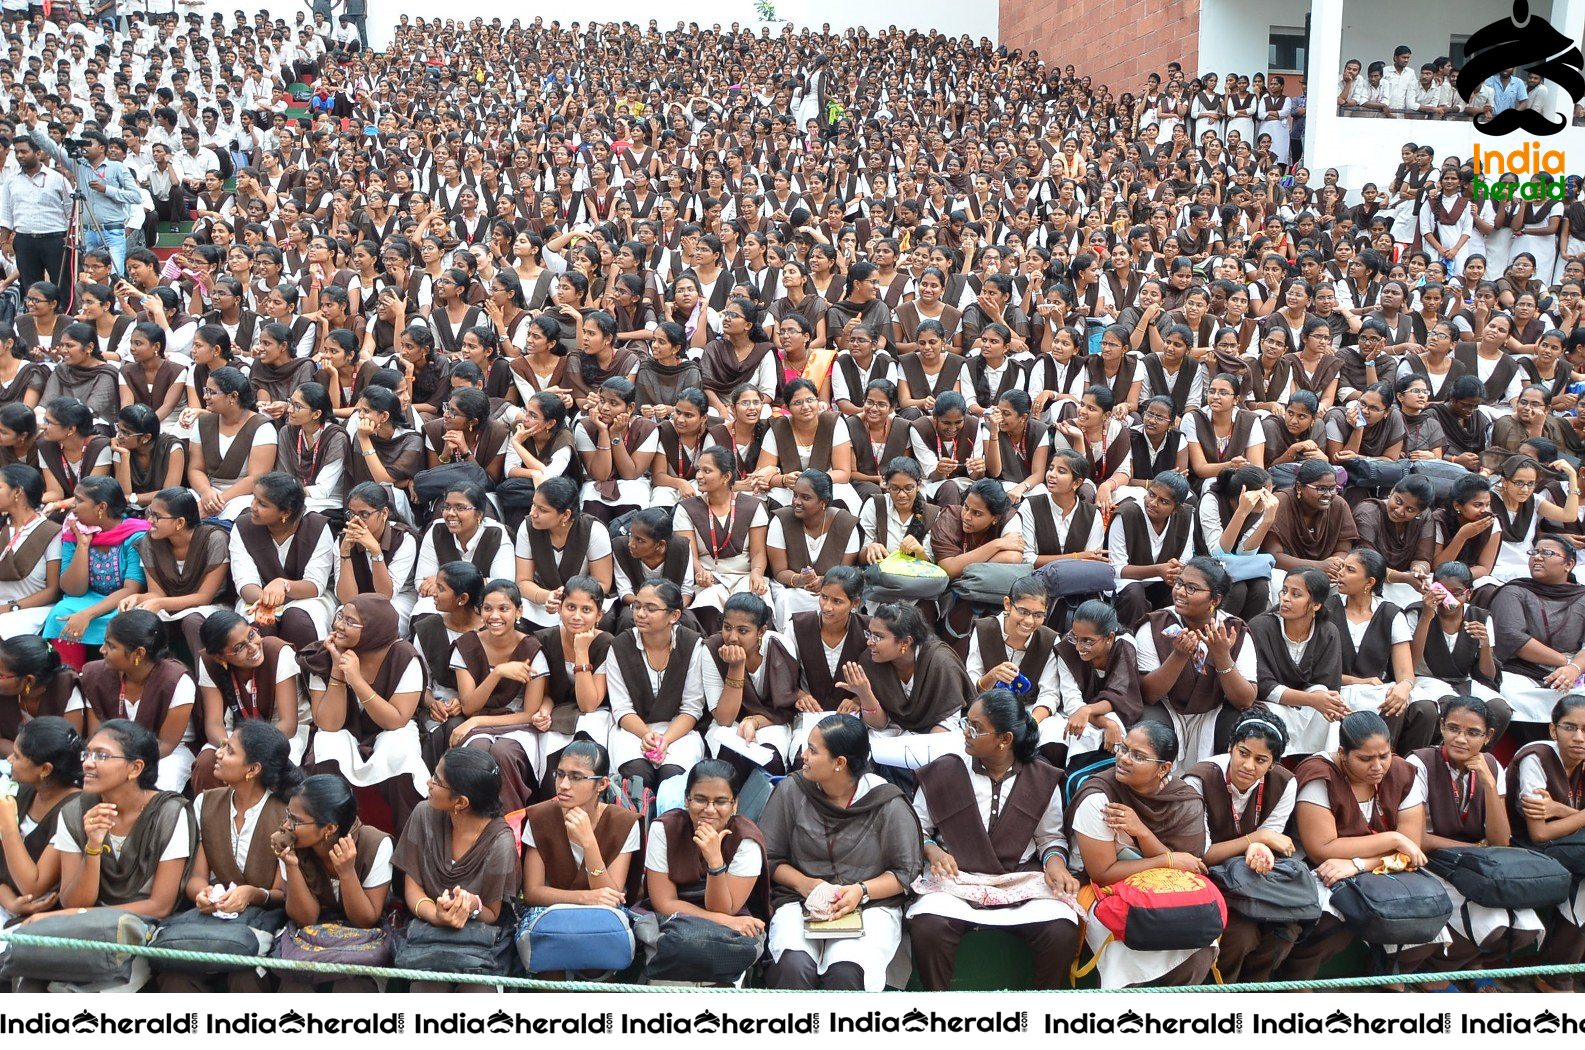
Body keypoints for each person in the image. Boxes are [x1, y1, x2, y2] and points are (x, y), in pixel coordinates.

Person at [910, 691, 1079, 990]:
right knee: (928, 927)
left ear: (1005, 740)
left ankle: (1042, 1016)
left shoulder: (1042, 777)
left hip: (1020, 880)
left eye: (976, 727)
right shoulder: (944, 771)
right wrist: (932, 851)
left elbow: (1050, 837)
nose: (966, 732)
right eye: (966, 722)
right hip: (956, 881)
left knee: (1060, 931)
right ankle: (937, 1013)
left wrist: (1055, 864)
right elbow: (917, 830)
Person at [22, 720, 193, 992]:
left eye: (101, 755)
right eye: (86, 754)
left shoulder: (170, 814)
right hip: (84, 928)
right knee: (29, 984)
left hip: (141, 931)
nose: (88, 763)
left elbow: (161, 906)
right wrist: (93, 845)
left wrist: (71, 916)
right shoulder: (75, 812)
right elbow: (73, 898)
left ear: (135, 768)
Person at [758, 714, 923, 990]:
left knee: (846, 972)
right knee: (793, 966)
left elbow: (905, 873)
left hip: (869, 905)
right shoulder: (792, 791)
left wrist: (860, 890)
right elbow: (769, 858)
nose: (803, 756)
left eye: (812, 750)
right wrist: (807, 884)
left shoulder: (886, 801)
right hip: (799, 900)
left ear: (839, 763)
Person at [1280, 711, 1434, 981]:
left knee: (1427, 907)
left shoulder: (1402, 772)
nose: (1377, 766)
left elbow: (1413, 849)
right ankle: (1296, 980)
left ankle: (1387, 973)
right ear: (1342, 753)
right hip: (1318, 868)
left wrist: (1359, 864)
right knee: (1334, 917)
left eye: (1384, 756)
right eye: (1365, 759)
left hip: (1370, 867)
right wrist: (1393, 839)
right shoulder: (1319, 773)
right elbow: (1322, 848)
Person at [1067, 721, 1216, 987]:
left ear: (1164, 768)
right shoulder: (1100, 797)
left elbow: (1189, 869)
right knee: (1128, 944)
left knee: (1199, 943)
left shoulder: (1185, 800)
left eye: (1138, 756)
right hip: (1106, 891)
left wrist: (1142, 833)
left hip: (1169, 894)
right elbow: (1102, 874)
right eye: (1123, 748)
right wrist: (1165, 860)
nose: (1123, 758)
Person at [158, 721, 300, 994]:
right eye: (223, 746)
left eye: (229, 750)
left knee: (244, 977)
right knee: (176, 980)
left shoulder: (284, 813)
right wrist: (203, 893)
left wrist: (251, 894)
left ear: (253, 770)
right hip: (214, 920)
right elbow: (196, 878)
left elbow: (281, 893)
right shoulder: (206, 802)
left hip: (260, 925)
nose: (219, 753)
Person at [1410, 696, 1536, 989]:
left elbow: (1500, 840)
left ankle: (1466, 965)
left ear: (1489, 736)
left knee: (1524, 930)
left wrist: (1490, 785)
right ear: (1441, 727)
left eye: (1473, 732)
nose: (1461, 739)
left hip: (1477, 861)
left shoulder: (1491, 765)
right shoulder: (1420, 762)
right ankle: (1434, 974)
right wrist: (1475, 849)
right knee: (1491, 924)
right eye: (1453, 728)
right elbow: (1417, 838)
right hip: (1433, 861)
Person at [1185, 709, 1300, 983]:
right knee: (1240, 936)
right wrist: (1255, 840)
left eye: (1261, 760)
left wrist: (1258, 849)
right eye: (1243, 753)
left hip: (1250, 873)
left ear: (1273, 764)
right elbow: (1201, 854)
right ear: (1230, 748)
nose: (1248, 765)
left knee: (1285, 931)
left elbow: (1272, 837)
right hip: (1206, 877)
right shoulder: (1199, 779)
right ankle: (1216, 997)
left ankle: (1250, 993)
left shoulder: (1285, 782)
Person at [394, 747, 521, 992]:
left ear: (461, 802)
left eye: (437, 781)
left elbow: (493, 913)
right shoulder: (423, 814)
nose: (428, 783)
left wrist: (472, 906)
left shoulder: (500, 842)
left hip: (479, 944)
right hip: (429, 935)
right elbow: (413, 887)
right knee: (424, 992)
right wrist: (436, 915)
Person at [302, 595, 430, 830]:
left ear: (374, 629)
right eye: (340, 616)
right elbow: (329, 723)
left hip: (390, 728)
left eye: (350, 622)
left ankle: (404, 845)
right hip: (345, 729)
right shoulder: (325, 654)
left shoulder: (403, 657)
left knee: (400, 753)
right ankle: (332, 835)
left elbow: (396, 720)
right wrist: (338, 671)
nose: (339, 625)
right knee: (327, 745)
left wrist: (357, 679)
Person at [640, 759, 769, 984]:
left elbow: (725, 908)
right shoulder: (665, 828)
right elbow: (664, 902)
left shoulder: (747, 839)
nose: (709, 810)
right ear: (686, 800)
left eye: (720, 802)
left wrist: (715, 862)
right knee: (678, 947)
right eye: (700, 799)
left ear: (735, 804)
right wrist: (724, 921)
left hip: (731, 922)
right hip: (673, 920)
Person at [518, 740, 641, 968]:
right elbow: (533, 893)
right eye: (560, 774)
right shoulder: (540, 817)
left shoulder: (623, 823)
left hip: (602, 919)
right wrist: (585, 898)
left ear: (602, 784)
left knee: (604, 944)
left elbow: (611, 898)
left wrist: (589, 843)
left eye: (576, 777)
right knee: (549, 954)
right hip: (549, 914)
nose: (564, 785)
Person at [270, 774, 393, 995]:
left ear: (328, 828)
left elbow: (366, 920)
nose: (287, 825)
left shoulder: (375, 844)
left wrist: (346, 873)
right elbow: (304, 918)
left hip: (359, 945)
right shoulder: (291, 843)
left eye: (295, 820)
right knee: (295, 986)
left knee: (351, 987)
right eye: (288, 815)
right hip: (310, 941)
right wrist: (291, 865)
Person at [1136, 556, 1258, 766]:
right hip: (1168, 709)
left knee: (1244, 723)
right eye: (1180, 584)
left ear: (1215, 600)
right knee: (1147, 722)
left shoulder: (1235, 631)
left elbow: (1245, 700)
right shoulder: (1155, 625)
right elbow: (1148, 694)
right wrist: (1179, 656)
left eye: (1192, 588)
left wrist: (1221, 656)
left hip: (1213, 712)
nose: (1181, 592)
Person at [1327, 548, 1442, 753]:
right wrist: (1359, 681)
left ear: (1369, 582)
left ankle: (1402, 764)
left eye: (1350, 570)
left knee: (1422, 708)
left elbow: (1405, 673)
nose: (1341, 573)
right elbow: (1318, 671)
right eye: (1342, 567)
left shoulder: (1390, 613)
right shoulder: (1327, 608)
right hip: (1336, 688)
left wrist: (1404, 687)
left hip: (1376, 690)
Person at [450, 580, 549, 813]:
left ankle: (510, 821)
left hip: (516, 725)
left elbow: (528, 714)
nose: (494, 616)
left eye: (503, 609)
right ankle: (472, 818)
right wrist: (498, 674)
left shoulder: (532, 649)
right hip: (479, 722)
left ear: (519, 612)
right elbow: (470, 706)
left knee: (503, 753)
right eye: (487, 608)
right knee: (478, 750)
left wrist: (476, 722)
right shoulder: (466, 645)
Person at [1509, 693, 1585, 992]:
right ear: (1553, 730)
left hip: (1572, 843)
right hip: (1528, 847)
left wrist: (1563, 812)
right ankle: (1555, 973)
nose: (1579, 737)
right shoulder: (1536, 756)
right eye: (1570, 727)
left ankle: (1560, 969)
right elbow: (1539, 833)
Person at [606, 580, 708, 792]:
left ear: (674, 616)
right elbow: (621, 707)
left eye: (650, 608)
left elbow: (692, 707)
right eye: (637, 606)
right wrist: (645, 735)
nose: (640, 614)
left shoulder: (692, 645)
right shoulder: (619, 646)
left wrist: (665, 740)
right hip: (633, 729)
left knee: (671, 776)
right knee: (637, 775)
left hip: (678, 730)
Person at [847, 603, 975, 770]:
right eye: (869, 634)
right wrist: (864, 695)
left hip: (934, 737)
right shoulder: (870, 661)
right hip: (893, 735)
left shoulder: (941, 662)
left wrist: (922, 755)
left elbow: (948, 720)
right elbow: (880, 724)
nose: (870, 642)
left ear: (905, 642)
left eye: (878, 637)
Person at [80, 610, 196, 792]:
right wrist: (113, 763)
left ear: (139, 653)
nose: (102, 650)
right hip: (111, 752)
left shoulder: (176, 681)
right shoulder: (94, 675)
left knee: (153, 787)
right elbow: (96, 736)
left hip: (167, 754)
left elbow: (166, 744)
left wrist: (125, 766)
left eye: (111, 646)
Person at [41, 477, 149, 671]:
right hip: (86, 598)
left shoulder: (135, 535)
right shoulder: (73, 532)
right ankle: (70, 681)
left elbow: (131, 589)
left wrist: (88, 614)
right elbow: (73, 590)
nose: (73, 508)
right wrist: (83, 545)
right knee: (61, 613)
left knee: (126, 620)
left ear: (101, 507)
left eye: (80, 501)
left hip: (124, 601)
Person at [229, 472, 337, 652]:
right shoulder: (243, 526)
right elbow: (245, 583)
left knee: (298, 621)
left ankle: (307, 677)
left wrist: (283, 585)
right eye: (254, 499)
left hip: (308, 598)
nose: (253, 507)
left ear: (286, 512)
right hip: (258, 596)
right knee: (260, 622)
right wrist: (267, 599)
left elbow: (314, 585)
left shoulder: (316, 527)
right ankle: (266, 679)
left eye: (262, 504)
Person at [1491, 537, 1585, 727]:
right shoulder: (1513, 591)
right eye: (1535, 552)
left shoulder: (1582, 596)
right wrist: (1565, 663)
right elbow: (1512, 637)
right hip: (1521, 670)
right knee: (1512, 695)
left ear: (1569, 564)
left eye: (1547, 553)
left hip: (1576, 670)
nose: (1538, 557)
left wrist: (1574, 669)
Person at [0, 717, 82, 924]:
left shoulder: (75, 810)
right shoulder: (21, 790)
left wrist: (9, 825)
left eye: (17, 757)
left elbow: (33, 887)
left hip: (36, 921)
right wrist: (8, 900)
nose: (9, 760)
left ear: (45, 769)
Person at [767, 468, 861, 623]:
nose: (796, 501)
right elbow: (780, 571)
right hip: (791, 590)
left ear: (823, 502)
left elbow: (846, 575)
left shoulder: (846, 524)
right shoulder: (781, 520)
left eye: (805, 497)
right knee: (786, 599)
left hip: (833, 593)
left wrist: (824, 582)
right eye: (795, 495)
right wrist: (800, 579)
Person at [0, 463, 63, 640]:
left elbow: (52, 590)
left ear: (18, 492)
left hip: (29, 610)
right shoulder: (3, 527)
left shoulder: (50, 532)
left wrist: (10, 608)